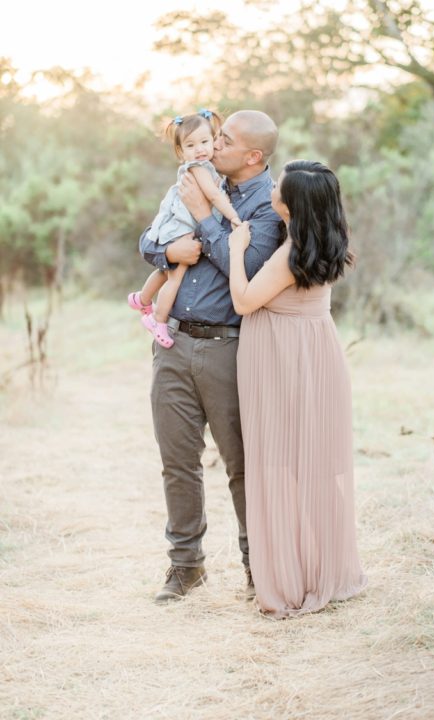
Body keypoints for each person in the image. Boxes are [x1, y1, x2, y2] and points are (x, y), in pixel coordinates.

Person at [139, 110, 283, 603]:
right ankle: (185, 568)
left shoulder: (270, 206)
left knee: (242, 465)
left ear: (253, 156)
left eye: (224, 139)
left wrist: (204, 216)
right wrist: (167, 255)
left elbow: (248, 268)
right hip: (173, 342)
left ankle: (256, 569)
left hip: (230, 348)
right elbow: (150, 238)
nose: (213, 144)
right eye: (212, 137)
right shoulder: (196, 179)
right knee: (177, 461)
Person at [228, 159, 367, 618]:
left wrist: (235, 248)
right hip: (317, 356)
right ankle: (321, 568)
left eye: (279, 188)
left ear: (290, 204)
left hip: (281, 361)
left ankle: (290, 579)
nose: (272, 191)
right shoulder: (328, 243)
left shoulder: (288, 255)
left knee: (278, 464)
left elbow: (245, 300)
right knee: (314, 468)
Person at [129, 110, 243, 348]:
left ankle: (143, 298)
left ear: (214, 140)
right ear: (181, 153)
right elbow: (212, 195)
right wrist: (233, 216)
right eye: (191, 145)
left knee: (165, 271)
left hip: (178, 224)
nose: (199, 149)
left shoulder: (208, 168)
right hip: (180, 226)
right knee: (176, 275)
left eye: (204, 141)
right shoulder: (199, 168)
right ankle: (158, 319)